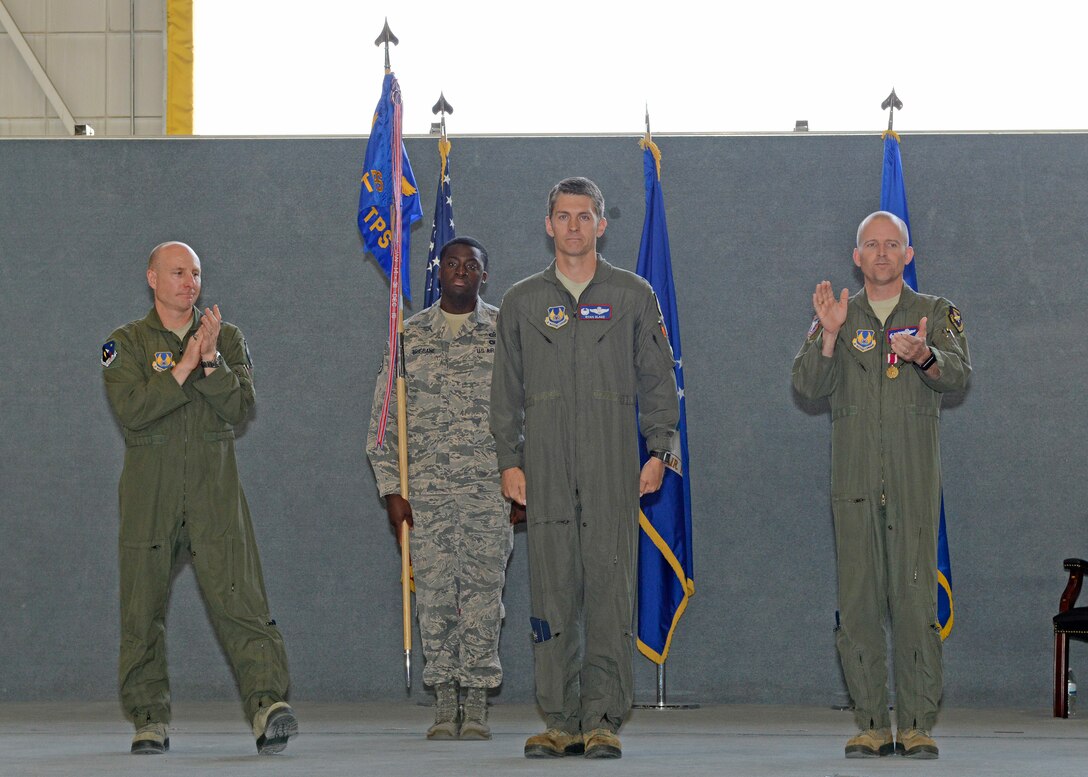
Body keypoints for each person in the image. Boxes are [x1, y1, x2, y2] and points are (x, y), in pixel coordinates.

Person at [490, 177, 680, 759]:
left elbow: (657, 380)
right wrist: (509, 461)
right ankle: (559, 718)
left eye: (585, 216)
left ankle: (600, 718)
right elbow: (505, 392)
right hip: (544, 468)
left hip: (612, 466)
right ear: (548, 225)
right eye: (563, 216)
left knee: (608, 591)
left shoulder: (632, 294)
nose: (574, 226)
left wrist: (660, 451)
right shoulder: (522, 302)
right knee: (550, 593)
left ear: (602, 224)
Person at [102, 241, 297, 755]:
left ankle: (267, 706)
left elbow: (239, 408)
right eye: (178, 272)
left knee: (242, 600)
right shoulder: (126, 343)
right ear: (152, 278)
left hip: (214, 490)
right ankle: (149, 718)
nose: (190, 282)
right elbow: (133, 409)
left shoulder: (225, 339)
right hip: (151, 494)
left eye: (196, 273)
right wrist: (184, 366)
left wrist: (209, 359)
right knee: (142, 607)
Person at [792, 211, 971, 760]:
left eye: (893, 244)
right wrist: (827, 334)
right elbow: (806, 387)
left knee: (916, 603)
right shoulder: (840, 314)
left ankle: (916, 724)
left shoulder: (933, 313)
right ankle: (871, 723)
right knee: (860, 603)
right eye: (872, 244)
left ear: (908, 254)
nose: (883, 253)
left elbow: (960, 375)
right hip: (854, 486)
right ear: (857, 256)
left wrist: (927, 357)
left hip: (915, 485)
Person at [367, 236, 520, 740]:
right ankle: (444, 702)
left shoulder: (506, 333)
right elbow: (384, 420)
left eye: (470, 265)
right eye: (451, 263)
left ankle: (475, 703)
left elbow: (531, 415)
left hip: (487, 492)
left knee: (482, 598)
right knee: (433, 598)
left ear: (484, 275)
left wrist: (526, 481)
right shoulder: (409, 337)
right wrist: (391, 488)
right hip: (425, 496)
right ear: (439, 272)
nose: (460, 271)